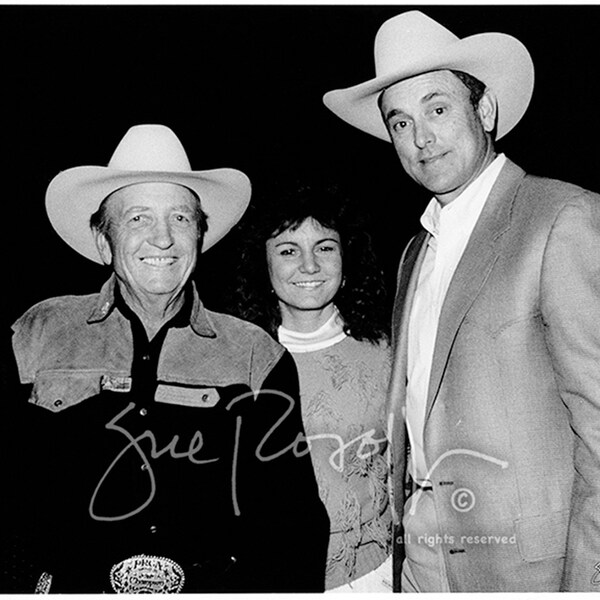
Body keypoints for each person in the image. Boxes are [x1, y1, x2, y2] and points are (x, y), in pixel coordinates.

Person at [322, 9, 600, 593]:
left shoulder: (559, 217)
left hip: (530, 573)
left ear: (486, 110)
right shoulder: (412, 253)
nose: (420, 137)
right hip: (422, 564)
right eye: (400, 122)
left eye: (438, 108)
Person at [0, 124, 329, 593]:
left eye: (180, 219)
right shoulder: (37, 332)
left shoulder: (255, 354)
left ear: (199, 236)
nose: (162, 239)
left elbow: (292, 525)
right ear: (102, 240)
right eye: (137, 219)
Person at [229, 181, 393, 591]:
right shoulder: (235, 361)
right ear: (262, 266)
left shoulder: (390, 351)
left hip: (371, 575)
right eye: (288, 250)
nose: (309, 266)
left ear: (346, 256)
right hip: (264, 577)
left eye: (325, 247)